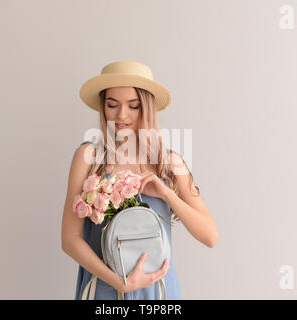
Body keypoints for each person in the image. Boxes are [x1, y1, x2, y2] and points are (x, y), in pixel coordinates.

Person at [61, 61, 219, 299]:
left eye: (133, 106)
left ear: (146, 108)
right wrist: (119, 282)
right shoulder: (89, 157)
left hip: (157, 290)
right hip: (105, 288)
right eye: (112, 105)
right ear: (103, 107)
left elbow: (210, 236)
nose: (121, 115)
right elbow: (69, 239)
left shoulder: (169, 163)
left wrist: (167, 193)